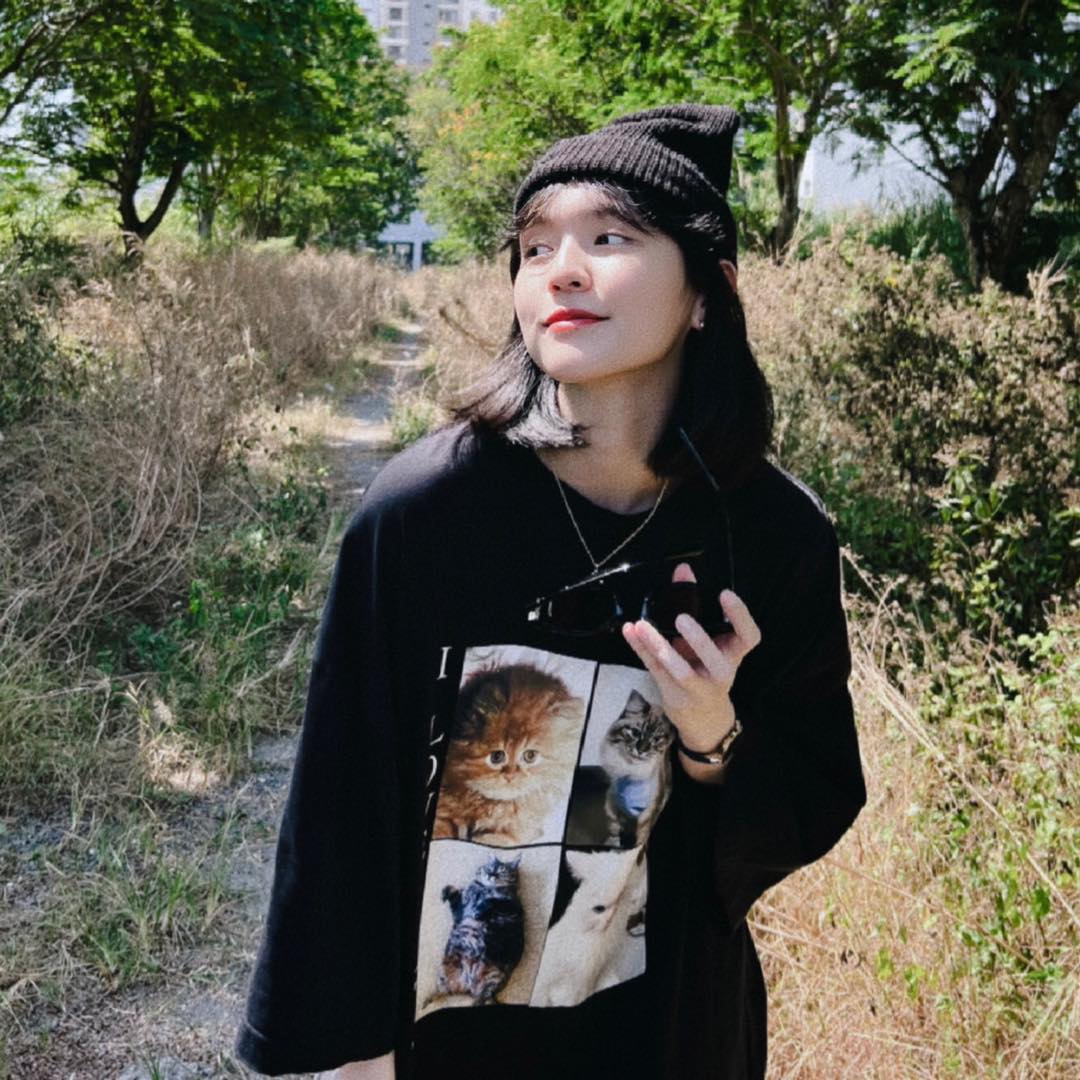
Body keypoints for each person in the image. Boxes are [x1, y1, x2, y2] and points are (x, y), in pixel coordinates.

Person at [236, 103, 866, 1080]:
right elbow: (340, 811)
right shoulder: (425, 513)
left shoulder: (773, 535)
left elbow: (808, 802)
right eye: (534, 249)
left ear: (708, 292)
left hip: (670, 1033)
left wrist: (711, 736)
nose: (561, 270)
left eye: (610, 238)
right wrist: (353, 1058)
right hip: (454, 1042)